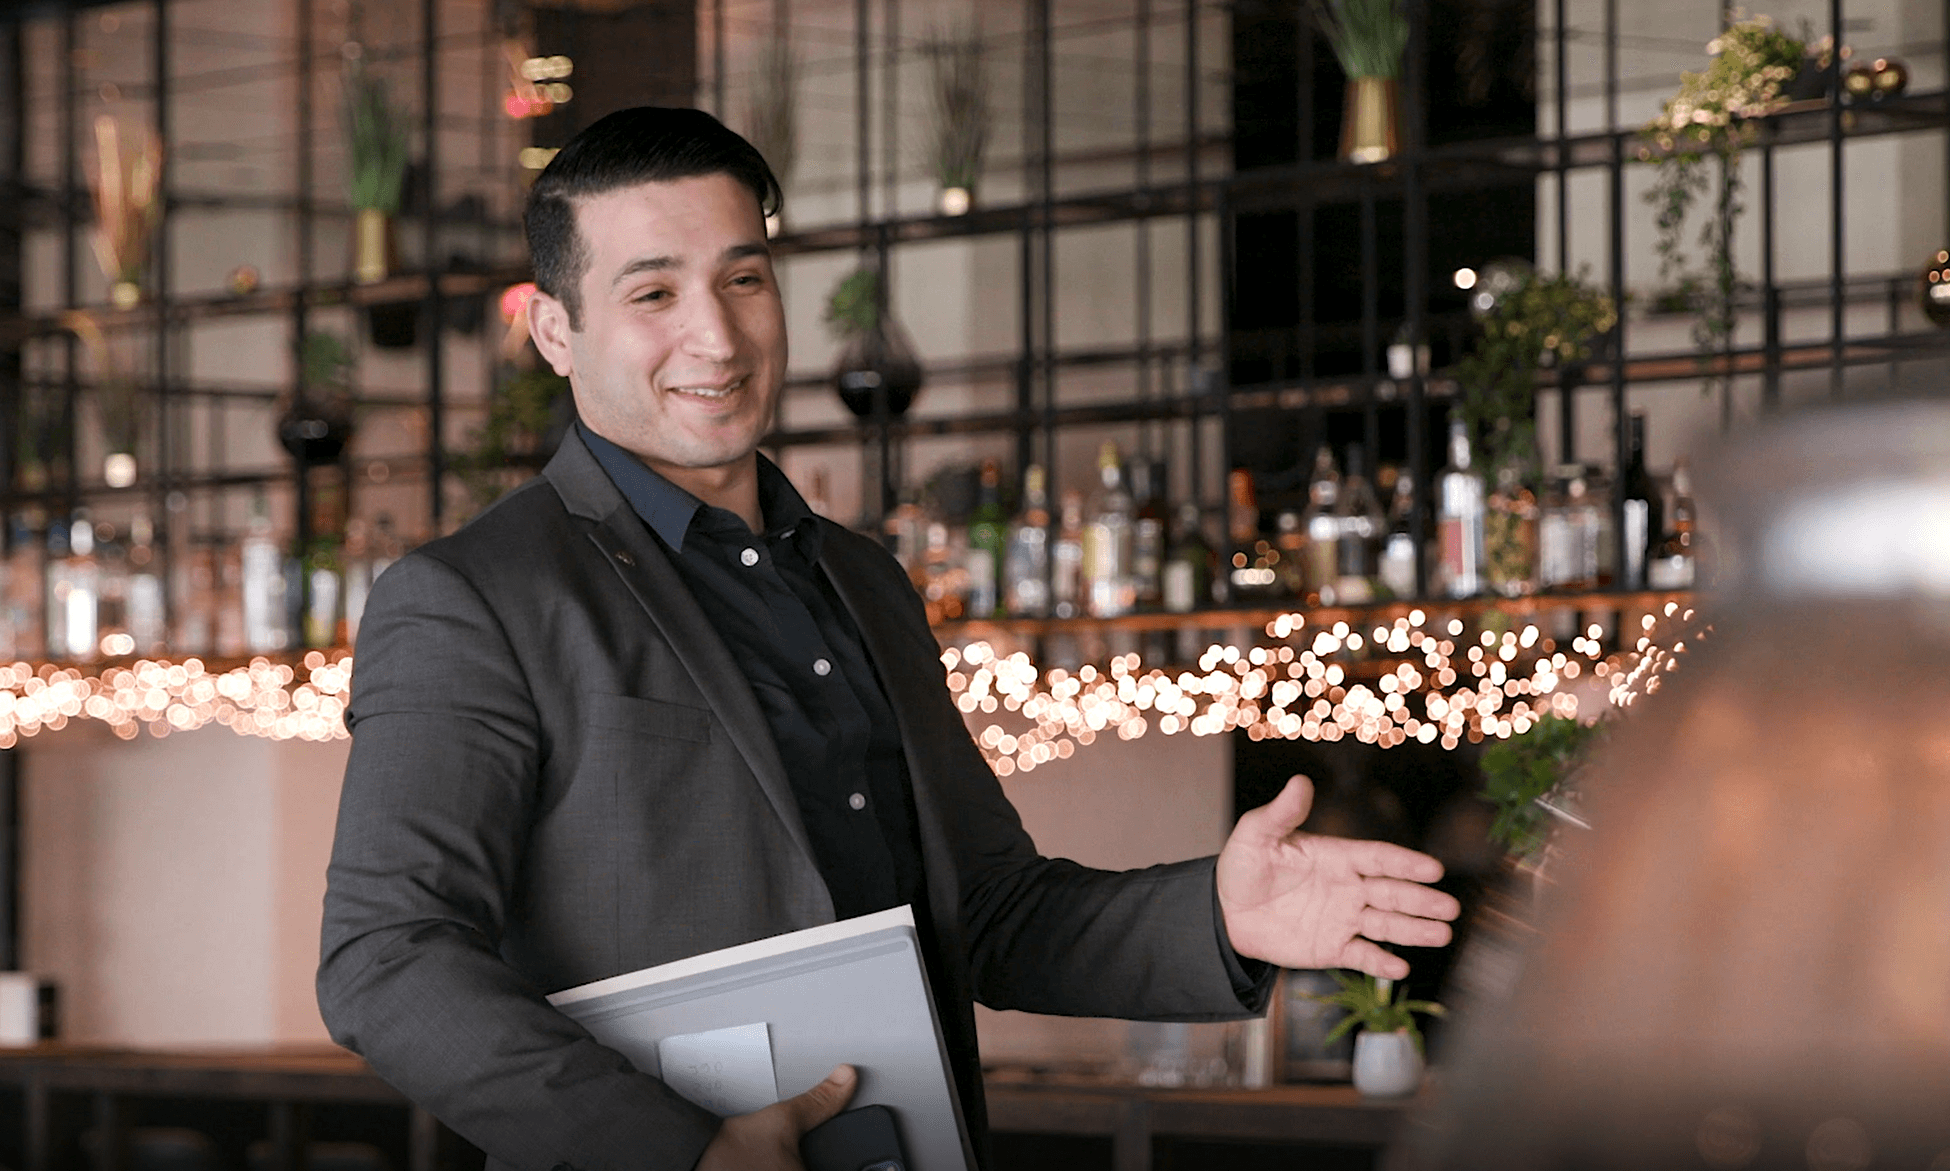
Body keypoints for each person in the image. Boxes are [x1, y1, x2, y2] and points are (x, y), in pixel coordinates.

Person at [317, 107, 1460, 1171]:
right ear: (557, 333)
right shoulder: (474, 596)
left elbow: (994, 913)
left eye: (744, 278)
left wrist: (1218, 910)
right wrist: (680, 1151)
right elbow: (386, 957)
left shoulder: (861, 579)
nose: (715, 334)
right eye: (653, 293)